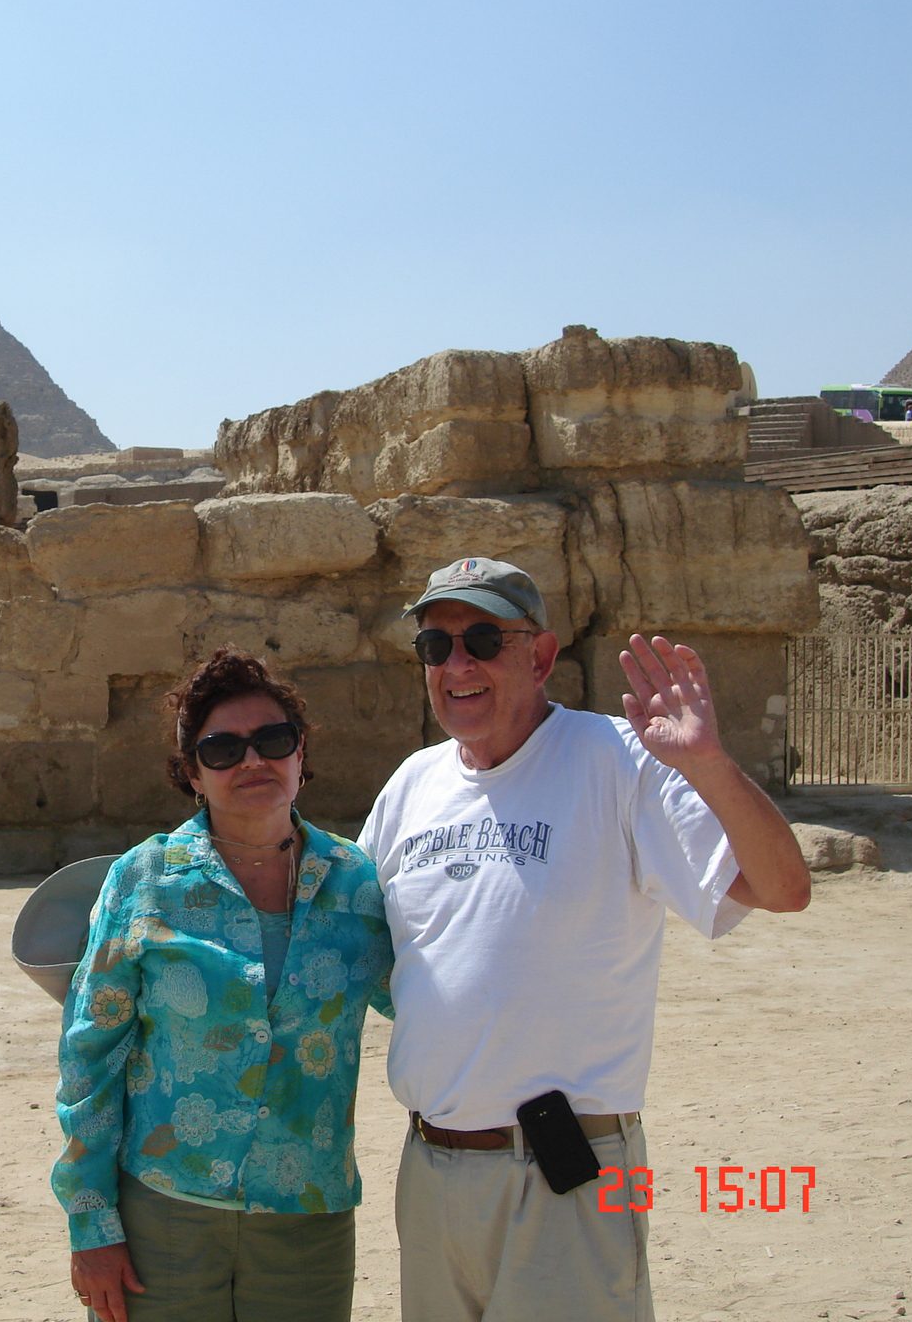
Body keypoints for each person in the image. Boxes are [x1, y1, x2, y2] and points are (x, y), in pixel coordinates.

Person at [358, 557, 811, 1322]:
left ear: (539, 656)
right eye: (436, 647)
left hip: (567, 1173)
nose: (456, 665)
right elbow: (351, 940)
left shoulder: (619, 762)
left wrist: (708, 766)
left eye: (481, 639)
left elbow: (781, 888)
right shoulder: (413, 785)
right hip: (431, 1173)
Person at [53, 647, 393, 1322]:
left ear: (301, 756)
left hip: (307, 1225)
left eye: (273, 741)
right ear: (190, 774)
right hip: (163, 1219)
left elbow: (435, 998)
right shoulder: (145, 879)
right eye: (222, 749)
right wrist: (91, 1225)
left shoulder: (358, 882)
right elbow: (90, 1057)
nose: (252, 762)